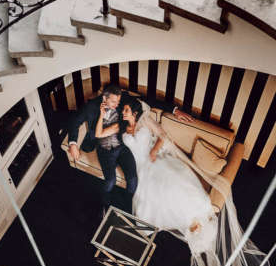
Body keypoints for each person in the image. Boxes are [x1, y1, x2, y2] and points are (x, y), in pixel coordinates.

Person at [108, 97, 270, 266]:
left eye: (125, 110)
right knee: (149, 200)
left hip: (156, 161)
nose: (123, 113)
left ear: (134, 111)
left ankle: (195, 226)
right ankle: (134, 245)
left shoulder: (145, 120)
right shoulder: (121, 128)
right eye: (122, 111)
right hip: (140, 169)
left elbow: (163, 136)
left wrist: (155, 150)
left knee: (173, 190)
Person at [65, 85, 194, 210]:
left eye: (119, 102)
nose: (118, 105)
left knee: (132, 180)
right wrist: (73, 144)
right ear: (105, 98)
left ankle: (128, 206)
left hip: (121, 147)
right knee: (110, 181)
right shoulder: (91, 106)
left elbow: (146, 100)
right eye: (114, 102)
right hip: (104, 148)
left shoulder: (125, 104)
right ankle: (104, 205)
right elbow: (75, 123)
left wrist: (175, 110)